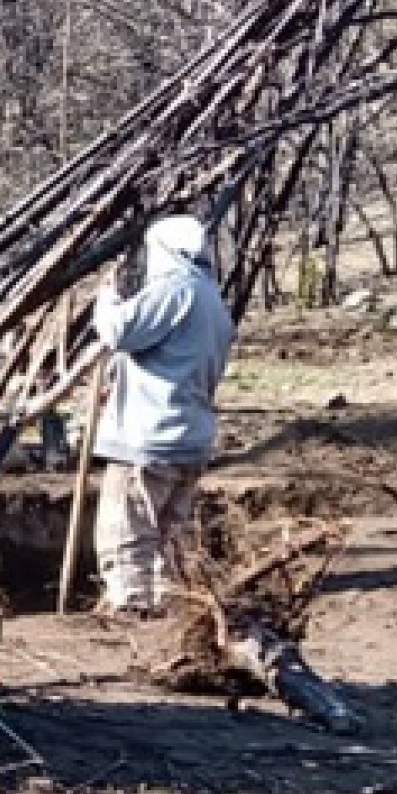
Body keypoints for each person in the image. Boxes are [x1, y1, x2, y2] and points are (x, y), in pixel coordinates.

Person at [90, 214, 235, 615]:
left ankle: (133, 611)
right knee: (169, 536)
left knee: (127, 534)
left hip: (149, 436)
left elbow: (118, 330)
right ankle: (170, 613)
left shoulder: (176, 290)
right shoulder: (212, 302)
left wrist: (106, 296)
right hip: (190, 437)